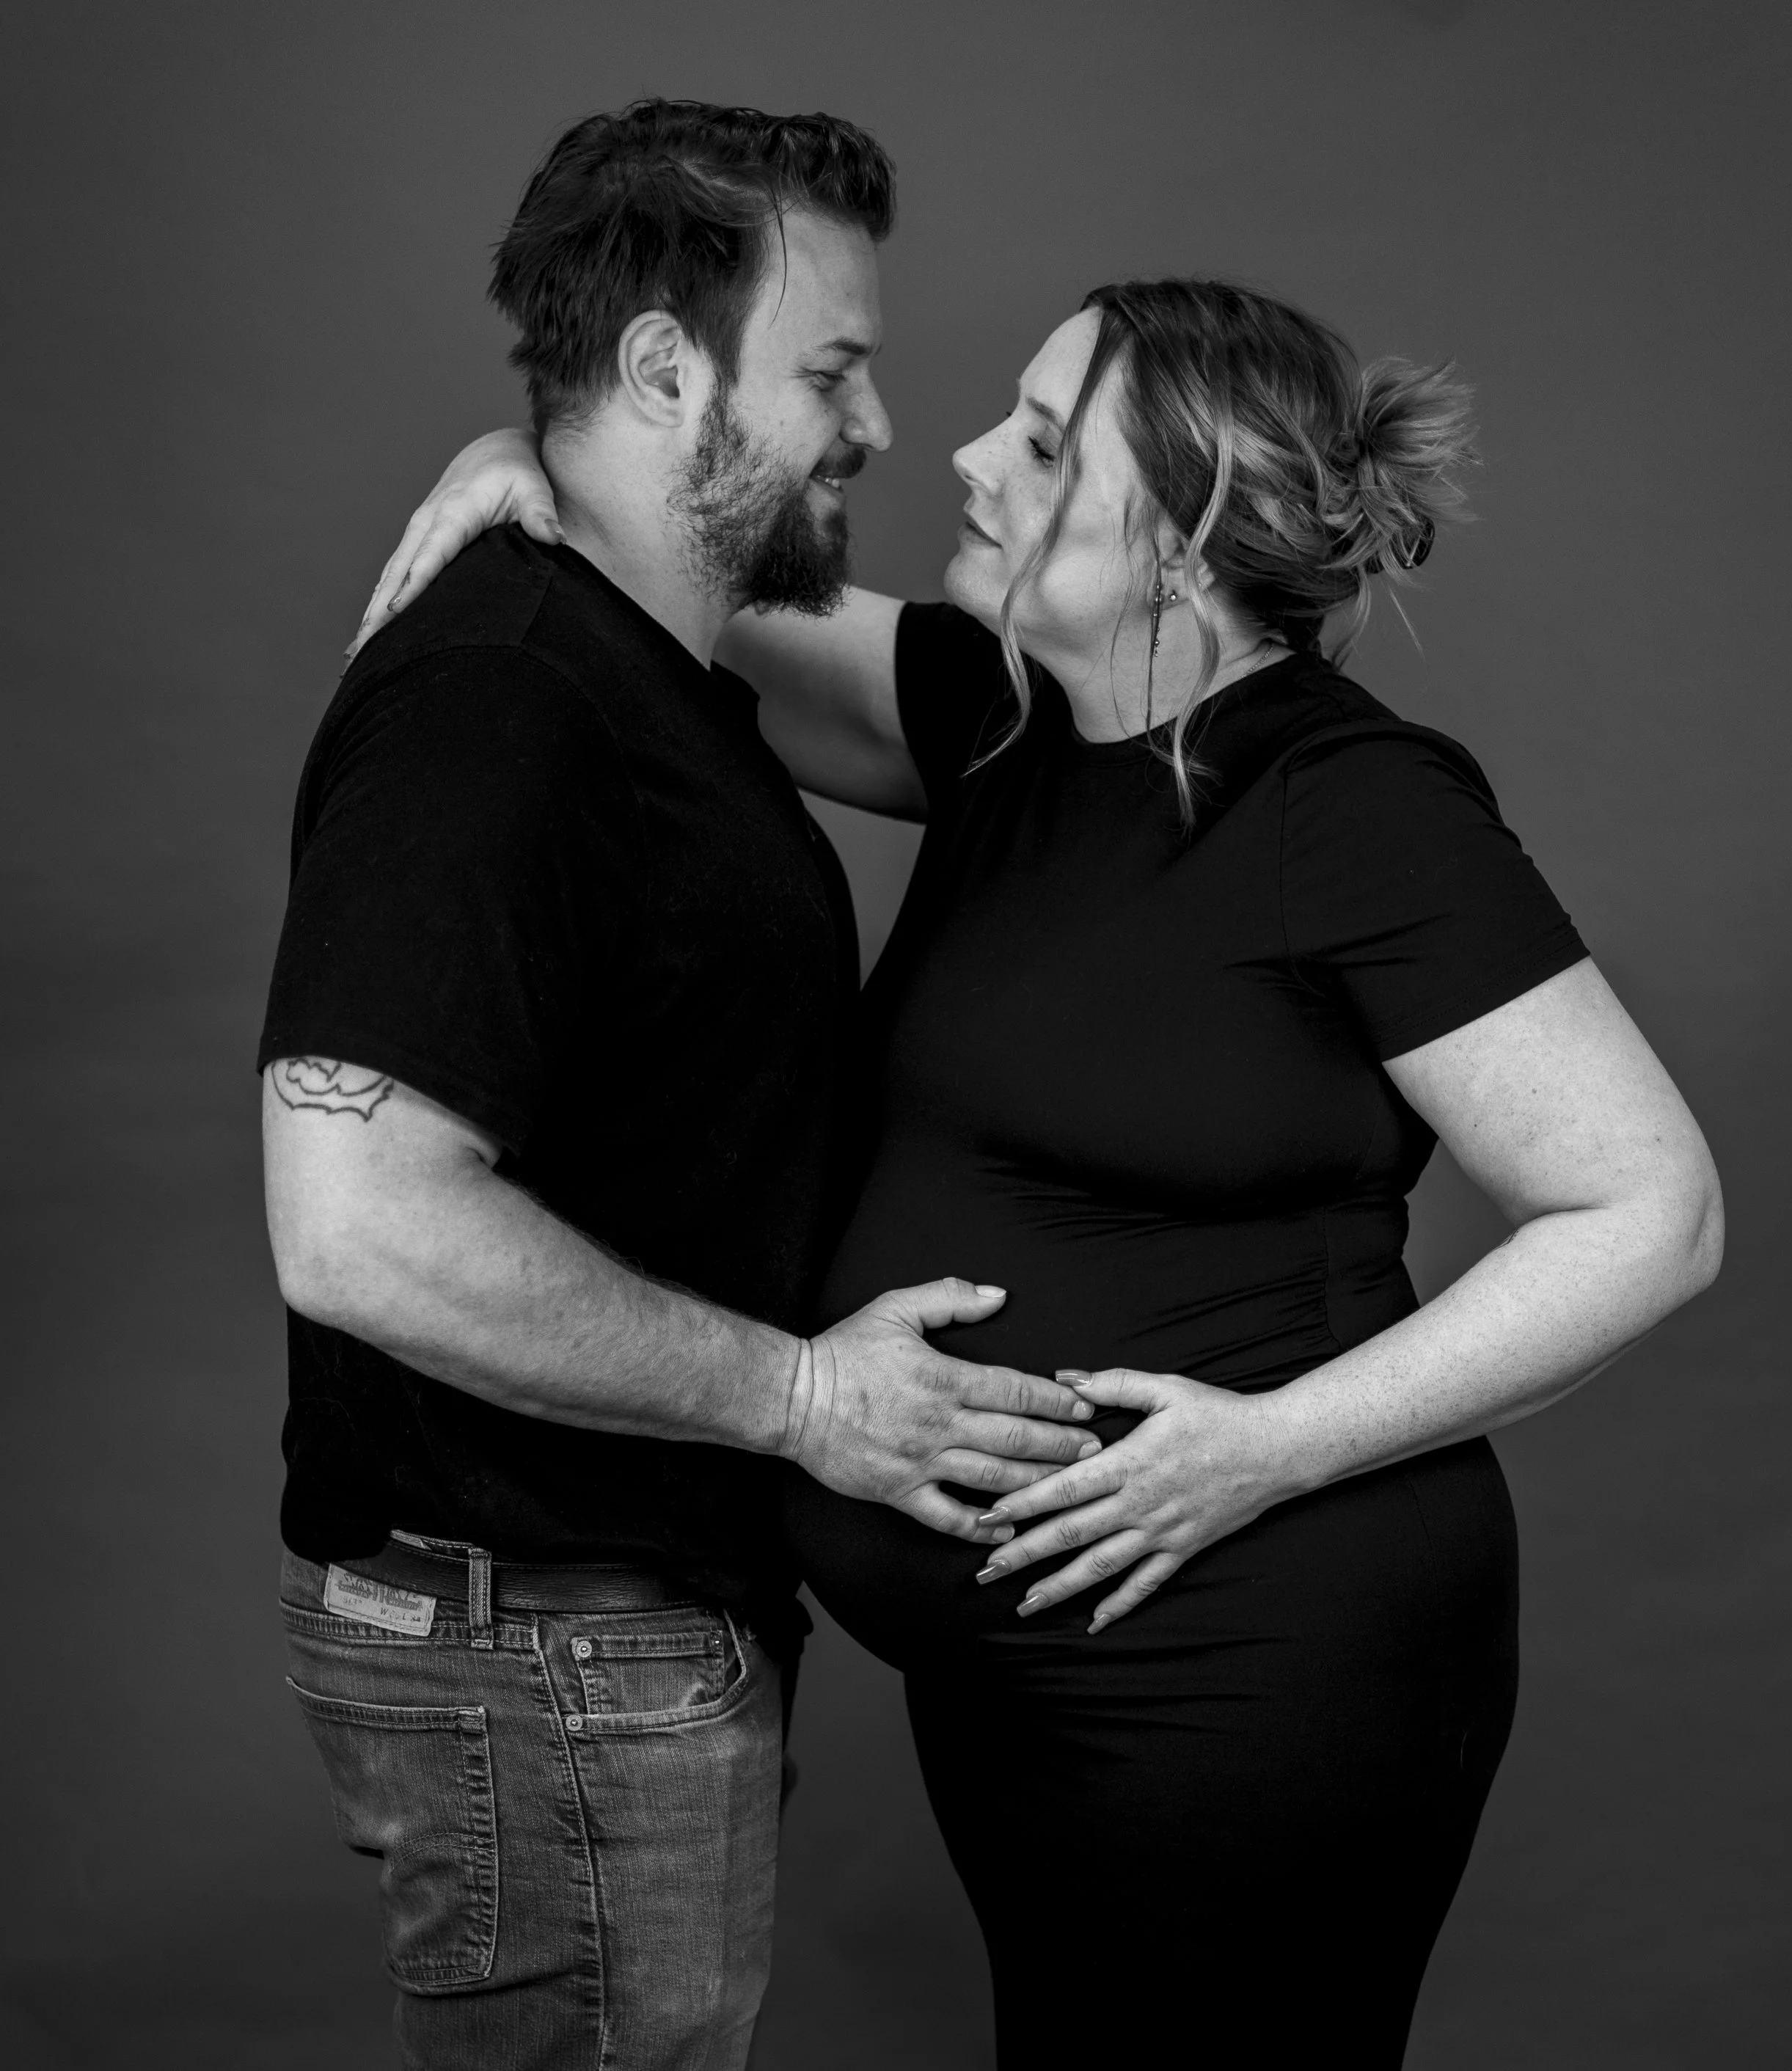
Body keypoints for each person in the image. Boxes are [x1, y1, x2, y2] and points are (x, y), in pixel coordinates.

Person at [360, 284, 1722, 2061]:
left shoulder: (1347, 809)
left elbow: (1649, 1210)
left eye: (1042, 439)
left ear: (1184, 531)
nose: (968, 457)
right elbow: (649, 581)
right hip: (1022, 1663)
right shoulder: (997, 723)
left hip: (1251, 1645)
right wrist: (500, 460)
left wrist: (1262, 1448)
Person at [260, 101, 1101, 2071]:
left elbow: (1036, 706)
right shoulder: (499, 697)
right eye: (831, 368)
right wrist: (806, 1395)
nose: (879, 424)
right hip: (544, 1639)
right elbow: (359, 1221)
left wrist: (511, 454)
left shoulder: (655, 659)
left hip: (606, 1642)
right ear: (664, 365)